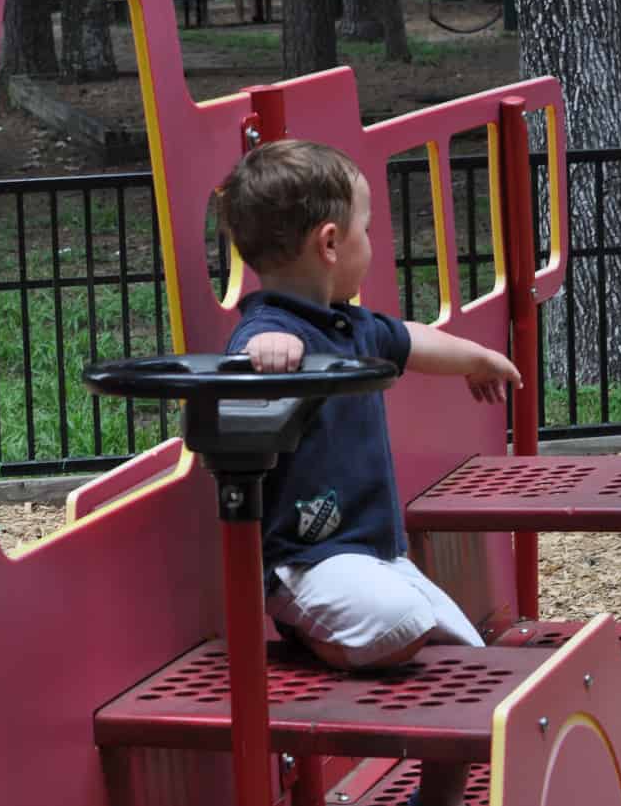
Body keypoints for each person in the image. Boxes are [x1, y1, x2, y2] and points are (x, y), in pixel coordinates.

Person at [217, 139, 522, 671]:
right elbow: (238, 373)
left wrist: (477, 358)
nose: (374, 242)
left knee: (465, 650)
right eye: (368, 228)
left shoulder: (349, 325)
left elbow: (412, 339)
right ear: (331, 243)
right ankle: (313, 636)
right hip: (305, 561)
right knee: (398, 626)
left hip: (375, 552)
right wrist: (260, 356)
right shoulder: (270, 332)